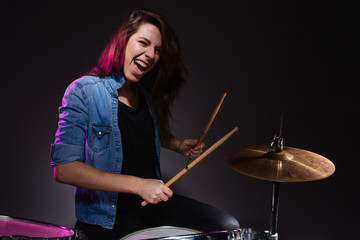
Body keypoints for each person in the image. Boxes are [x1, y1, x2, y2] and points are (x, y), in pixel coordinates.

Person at [50, 9, 240, 239]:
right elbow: (64, 169)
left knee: (227, 227)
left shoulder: (144, 94)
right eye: (143, 42)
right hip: (106, 220)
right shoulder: (83, 91)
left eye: (157, 50)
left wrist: (178, 145)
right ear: (123, 42)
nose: (150, 54)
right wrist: (138, 185)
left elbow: (142, 131)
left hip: (151, 211)